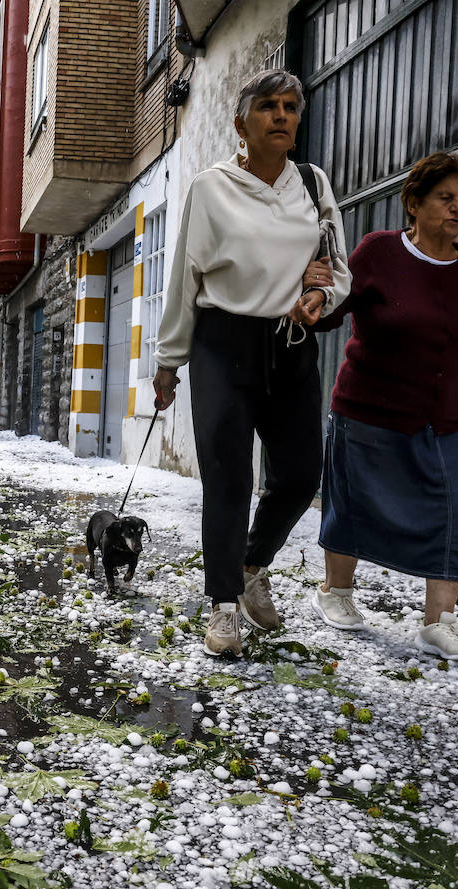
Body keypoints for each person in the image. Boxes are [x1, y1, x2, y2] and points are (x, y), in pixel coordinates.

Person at [153, 68, 350, 658]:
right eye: (269, 106)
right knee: (229, 476)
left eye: (291, 106)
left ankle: (252, 564)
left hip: (291, 345)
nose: (283, 116)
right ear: (242, 123)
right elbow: (184, 279)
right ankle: (221, 607)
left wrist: (320, 295)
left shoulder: (313, 186)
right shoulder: (211, 188)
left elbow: (337, 269)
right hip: (223, 343)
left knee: (299, 474)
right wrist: (169, 361)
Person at [304, 152, 458, 662]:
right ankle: (336, 590)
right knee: (353, 502)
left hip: (447, 419)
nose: (457, 209)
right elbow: (331, 314)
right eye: (445, 198)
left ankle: (440, 622)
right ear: (414, 203)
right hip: (368, 409)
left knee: (455, 512)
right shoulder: (378, 252)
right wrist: (314, 294)